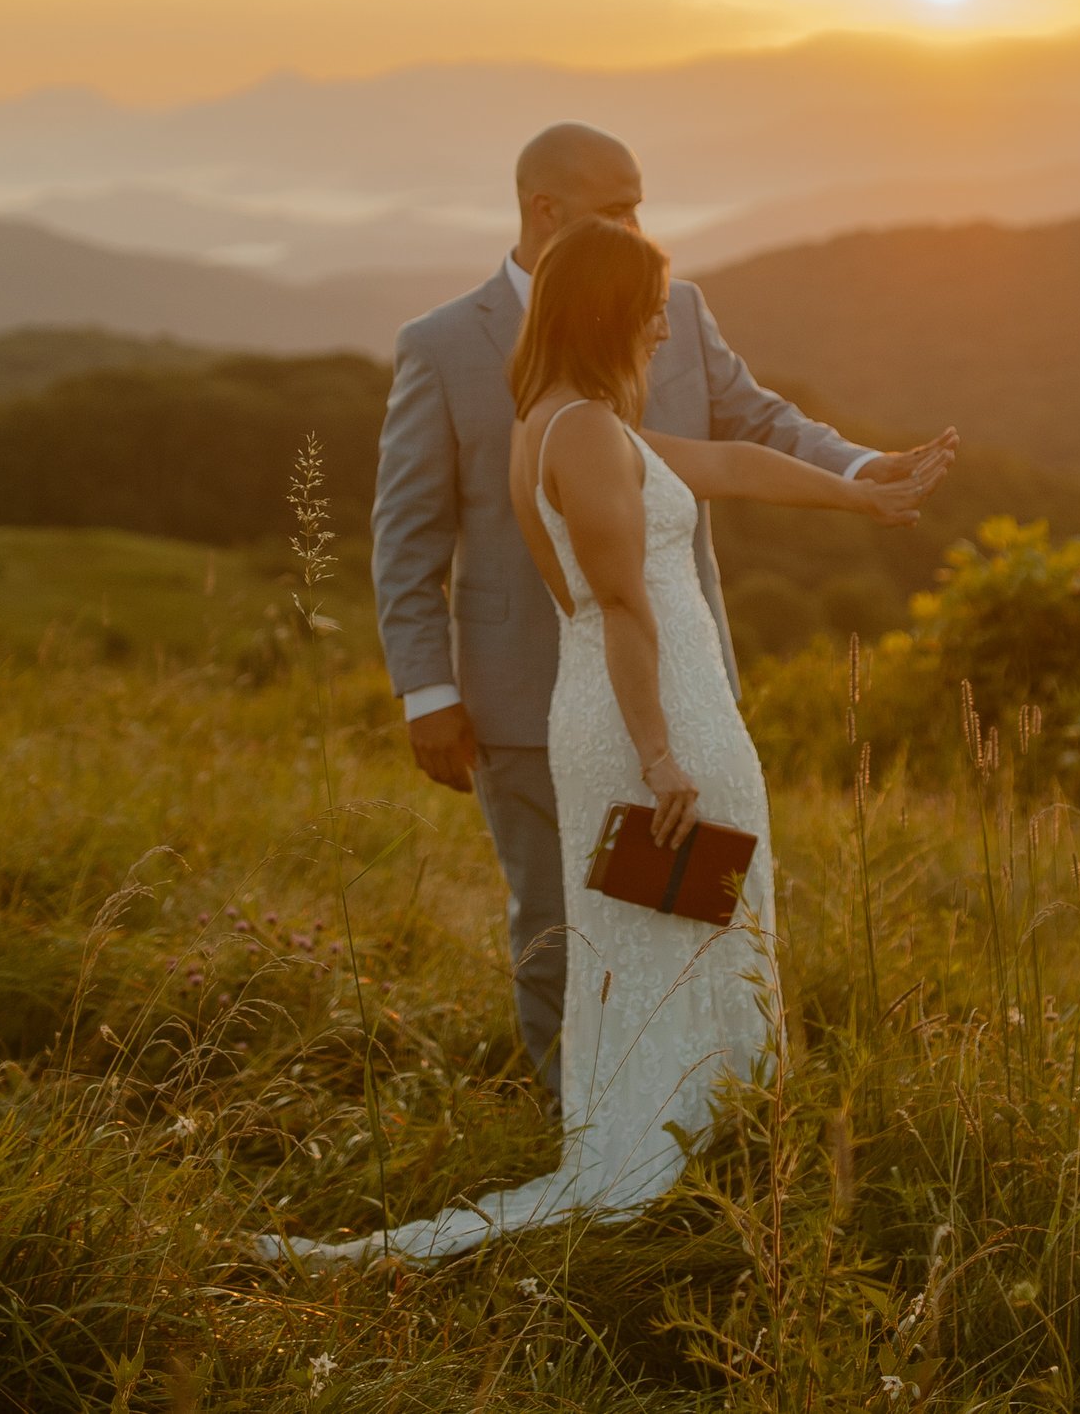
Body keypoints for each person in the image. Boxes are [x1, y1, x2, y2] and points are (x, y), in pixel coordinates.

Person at [264, 216, 943, 1264]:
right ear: (612, 314)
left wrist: (860, 491)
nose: (665, 330)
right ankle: (679, 1156)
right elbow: (622, 603)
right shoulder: (580, 431)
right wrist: (662, 756)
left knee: (682, 932)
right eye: (652, 309)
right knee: (689, 926)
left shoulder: (569, 420)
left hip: (631, 709)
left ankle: (710, 1137)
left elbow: (722, 462)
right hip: (649, 714)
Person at [365, 122, 954, 1101]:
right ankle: (586, 1124)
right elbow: (407, 535)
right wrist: (427, 688)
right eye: (619, 209)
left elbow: (745, 432)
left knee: (684, 911)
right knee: (560, 924)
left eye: (644, 201)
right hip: (528, 698)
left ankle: (689, 1116)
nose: (643, 226)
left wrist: (858, 471)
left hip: (676, 686)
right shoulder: (443, 346)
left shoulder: (669, 305)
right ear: (545, 212)